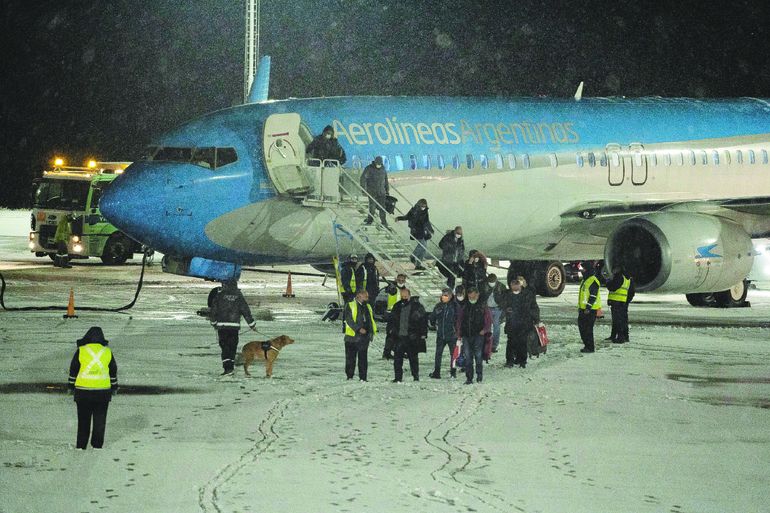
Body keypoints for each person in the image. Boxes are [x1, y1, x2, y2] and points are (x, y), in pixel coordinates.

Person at [67, 326, 118, 449]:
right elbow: (113, 371)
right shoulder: (107, 352)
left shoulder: (81, 351)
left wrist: (70, 386)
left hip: (83, 392)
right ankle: (97, 445)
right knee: (100, 421)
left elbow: (73, 369)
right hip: (103, 392)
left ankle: (81, 445)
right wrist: (114, 387)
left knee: (83, 421)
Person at [209, 280, 257, 374]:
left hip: (222, 326)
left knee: (225, 347)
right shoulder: (239, 296)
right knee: (232, 346)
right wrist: (252, 325)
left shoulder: (219, 295)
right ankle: (230, 366)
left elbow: (213, 310)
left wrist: (214, 322)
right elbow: (245, 310)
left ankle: (227, 368)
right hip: (234, 327)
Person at [387, 287, 428, 382]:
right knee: (397, 359)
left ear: (409, 296)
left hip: (412, 337)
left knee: (413, 358)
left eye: (405, 296)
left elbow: (423, 321)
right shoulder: (397, 306)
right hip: (399, 337)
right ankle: (398, 377)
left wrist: (423, 333)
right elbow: (391, 320)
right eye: (402, 296)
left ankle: (415, 376)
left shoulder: (417, 307)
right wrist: (390, 331)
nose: (404, 298)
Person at [500, 277, 540, 368]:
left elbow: (534, 307)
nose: (514, 287)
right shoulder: (507, 294)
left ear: (520, 285)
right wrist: (506, 309)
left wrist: (536, 319)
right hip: (512, 323)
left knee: (522, 342)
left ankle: (522, 361)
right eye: (512, 285)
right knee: (511, 342)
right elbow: (502, 304)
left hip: (524, 323)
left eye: (516, 285)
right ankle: (509, 361)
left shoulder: (527, 294)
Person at [455, 286, 492, 384]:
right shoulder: (465, 306)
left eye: (473, 296)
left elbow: (488, 320)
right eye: (470, 296)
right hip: (466, 335)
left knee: (478, 356)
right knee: (468, 357)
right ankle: (469, 378)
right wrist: (459, 333)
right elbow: (459, 320)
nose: (472, 298)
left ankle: (479, 375)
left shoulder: (483, 306)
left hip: (478, 335)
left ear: (477, 295)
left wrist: (484, 330)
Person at [343, 290, 376, 381]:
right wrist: (358, 329)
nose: (367, 299)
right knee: (350, 358)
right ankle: (350, 376)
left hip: (364, 337)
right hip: (352, 337)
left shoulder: (368, 306)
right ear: (359, 296)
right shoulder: (350, 305)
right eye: (365, 297)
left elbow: (370, 320)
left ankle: (363, 377)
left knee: (363, 358)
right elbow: (349, 320)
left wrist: (371, 332)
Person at [428, 288, 458, 379]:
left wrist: (457, 331)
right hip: (441, 334)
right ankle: (437, 372)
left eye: (446, 295)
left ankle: (453, 372)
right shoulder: (439, 306)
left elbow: (459, 319)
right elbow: (432, 318)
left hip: (452, 334)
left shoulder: (455, 306)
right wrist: (433, 322)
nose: (444, 297)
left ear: (451, 296)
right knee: (438, 353)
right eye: (443, 295)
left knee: (453, 354)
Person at [395, 199, 433, 270]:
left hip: (423, 231)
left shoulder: (425, 211)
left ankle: (418, 265)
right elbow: (407, 217)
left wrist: (430, 230)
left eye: (424, 206)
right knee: (422, 245)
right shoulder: (414, 210)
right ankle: (413, 256)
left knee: (423, 249)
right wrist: (399, 218)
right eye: (422, 206)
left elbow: (427, 221)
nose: (423, 207)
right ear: (419, 204)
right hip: (416, 230)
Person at [578, 262, 603, 353]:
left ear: (587, 269)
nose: (581, 270)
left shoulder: (593, 280)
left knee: (588, 329)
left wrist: (588, 307)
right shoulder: (585, 280)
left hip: (590, 310)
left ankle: (590, 347)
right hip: (583, 309)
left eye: (583, 269)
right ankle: (587, 345)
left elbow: (593, 296)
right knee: (583, 329)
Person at [605, 268, 635, 343]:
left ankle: (620, 337)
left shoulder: (619, 277)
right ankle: (625, 336)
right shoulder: (628, 278)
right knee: (623, 320)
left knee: (617, 320)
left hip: (616, 301)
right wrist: (626, 301)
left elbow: (612, 287)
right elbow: (631, 292)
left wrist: (608, 281)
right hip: (623, 301)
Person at [382, 273, 408, 359]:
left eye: (402, 280)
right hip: (392, 314)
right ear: (396, 280)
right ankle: (386, 353)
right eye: (399, 280)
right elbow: (390, 291)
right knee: (391, 334)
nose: (401, 281)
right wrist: (391, 286)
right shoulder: (393, 288)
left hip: (401, 315)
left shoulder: (405, 289)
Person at [360, 156, 389, 226]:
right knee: (372, 207)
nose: (379, 165)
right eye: (377, 164)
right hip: (372, 191)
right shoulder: (369, 168)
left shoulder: (383, 168)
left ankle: (384, 222)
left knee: (382, 207)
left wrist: (387, 190)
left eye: (380, 164)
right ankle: (370, 220)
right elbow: (363, 178)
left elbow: (386, 180)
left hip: (381, 192)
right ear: (375, 162)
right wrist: (363, 189)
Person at [486, 274, 506, 353]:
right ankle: (487, 344)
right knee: (487, 326)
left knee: (496, 326)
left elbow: (505, 299)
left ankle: (495, 344)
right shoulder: (484, 285)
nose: (491, 284)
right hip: (487, 308)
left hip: (498, 308)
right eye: (490, 282)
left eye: (492, 282)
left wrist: (503, 309)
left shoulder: (501, 286)